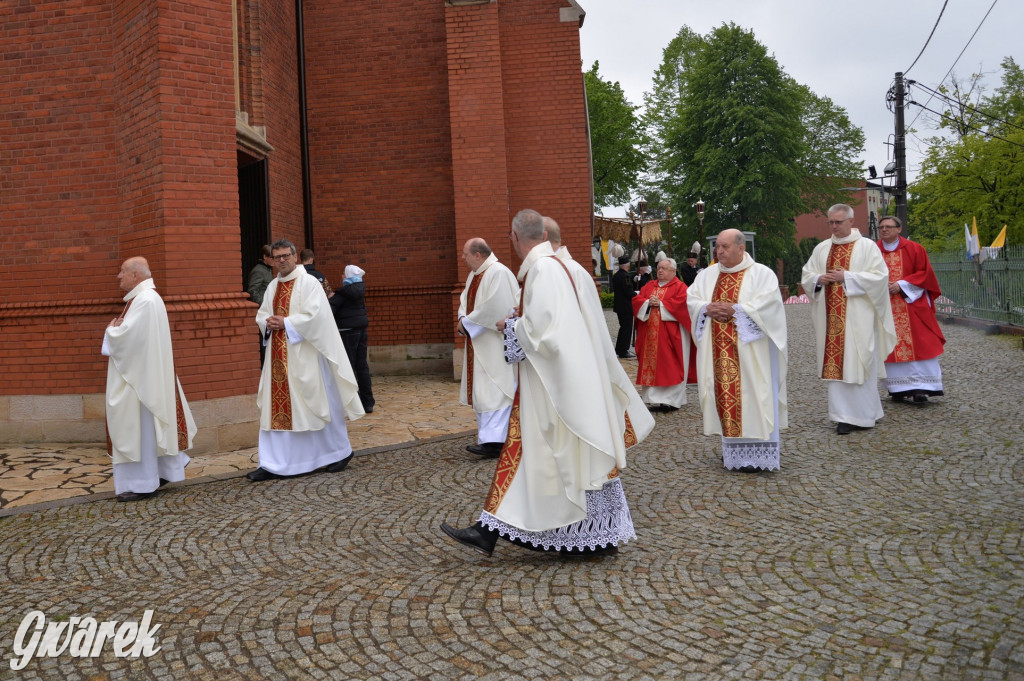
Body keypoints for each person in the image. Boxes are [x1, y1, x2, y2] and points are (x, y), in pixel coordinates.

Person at [440, 209, 639, 558]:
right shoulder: (570, 268)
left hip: (553, 386)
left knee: (547, 455)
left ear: (515, 238)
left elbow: (545, 333)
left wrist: (511, 327)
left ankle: (508, 532)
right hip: (573, 378)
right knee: (565, 456)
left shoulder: (545, 270)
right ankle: (594, 536)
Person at [248, 239, 365, 481]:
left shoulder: (309, 283)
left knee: (317, 405)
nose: (281, 260)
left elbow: (318, 317)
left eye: (285, 256)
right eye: (277, 256)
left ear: (294, 257)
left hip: (307, 356)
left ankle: (338, 452)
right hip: (278, 359)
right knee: (277, 409)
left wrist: (287, 323)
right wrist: (267, 322)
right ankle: (274, 462)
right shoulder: (272, 286)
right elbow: (262, 314)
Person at [546, 217, 654, 450]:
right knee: (625, 330)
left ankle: (622, 348)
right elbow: (624, 291)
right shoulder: (617, 275)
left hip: (598, 335)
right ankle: (621, 348)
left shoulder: (571, 270)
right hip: (622, 309)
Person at [688, 229, 788, 472]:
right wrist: (705, 308)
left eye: (725, 247)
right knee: (723, 393)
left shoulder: (761, 274)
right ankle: (732, 452)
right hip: (717, 351)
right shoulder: (707, 275)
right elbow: (692, 299)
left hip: (752, 354)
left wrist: (739, 311)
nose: (719, 251)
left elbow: (770, 307)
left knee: (754, 395)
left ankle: (759, 453)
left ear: (741, 248)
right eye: (717, 247)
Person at [102, 257, 196, 502]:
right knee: (150, 428)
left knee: (140, 428)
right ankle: (169, 468)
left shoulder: (145, 300)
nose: (118, 276)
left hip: (139, 382)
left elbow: (127, 338)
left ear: (136, 275)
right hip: (145, 376)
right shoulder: (145, 298)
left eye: (122, 272)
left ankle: (142, 483)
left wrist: (111, 330)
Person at [801, 204, 896, 435]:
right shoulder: (822, 248)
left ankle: (865, 414)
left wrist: (848, 277)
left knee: (861, 362)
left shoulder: (867, 247)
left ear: (851, 221)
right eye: (831, 222)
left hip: (858, 319)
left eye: (838, 222)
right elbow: (807, 274)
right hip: (831, 319)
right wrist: (817, 279)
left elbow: (880, 278)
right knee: (838, 369)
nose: (834, 226)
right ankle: (843, 415)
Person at [456, 238, 519, 458]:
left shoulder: (498, 273)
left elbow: (495, 308)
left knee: (496, 390)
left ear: (478, 254)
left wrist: (466, 324)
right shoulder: (474, 275)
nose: (463, 258)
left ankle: (495, 441)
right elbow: (465, 300)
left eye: (465, 254)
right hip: (478, 344)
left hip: (494, 343)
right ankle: (488, 438)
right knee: (484, 392)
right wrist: (463, 317)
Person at [876, 215, 945, 403]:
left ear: (899, 229)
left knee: (920, 344)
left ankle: (921, 388)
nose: (884, 230)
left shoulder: (915, 249)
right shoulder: (873, 250)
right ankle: (897, 388)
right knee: (890, 345)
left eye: (889, 226)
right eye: (881, 227)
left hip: (912, 305)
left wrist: (902, 285)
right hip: (884, 307)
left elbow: (925, 274)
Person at [631, 258, 692, 411]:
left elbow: (684, 305)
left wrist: (662, 304)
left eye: (664, 268)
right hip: (650, 334)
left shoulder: (680, 287)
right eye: (658, 268)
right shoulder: (649, 286)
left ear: (673, 271)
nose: (660, 271)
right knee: (651, 364)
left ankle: (671, 400)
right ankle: (652, 398)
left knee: (671, 365)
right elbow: (637, 300)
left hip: (671, 335)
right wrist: (646, 303)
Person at [329, 264, 376, 413]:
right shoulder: (359, 291)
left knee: (348, 367)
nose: (341, 276)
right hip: (362, 331)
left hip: (347, 332)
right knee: (362, 366)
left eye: (343, 273)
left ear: (348, 276)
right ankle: (368, 402)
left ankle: (353, 403)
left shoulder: (342, 294)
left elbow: (329, 310)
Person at [248, 245, 275, 366]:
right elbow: (253, 290)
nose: (275, 261)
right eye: (272, 258)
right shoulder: (259, 271)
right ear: (265, 257)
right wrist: (265, 305)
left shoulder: (268, 270)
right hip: (265, 312)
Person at [612, 254, 634, 358]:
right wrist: (637, 293)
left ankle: (619, 348)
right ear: (627, 265)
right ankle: (623, 350)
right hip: (626, 306)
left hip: (619, 306)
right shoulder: (625, 276)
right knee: (627, 328)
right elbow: (628, 292)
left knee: (623, 327)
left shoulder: (616, 275)